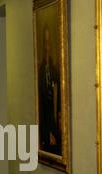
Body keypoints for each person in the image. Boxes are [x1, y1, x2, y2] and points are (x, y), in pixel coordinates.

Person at [38, 25, 61, 155]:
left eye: (48, 43)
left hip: (56, 123)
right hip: (46, 128)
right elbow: (41, 106)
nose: (47, 47)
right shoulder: (41, 70)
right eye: (44, 43)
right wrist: (47, 132)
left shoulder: (54, 69)